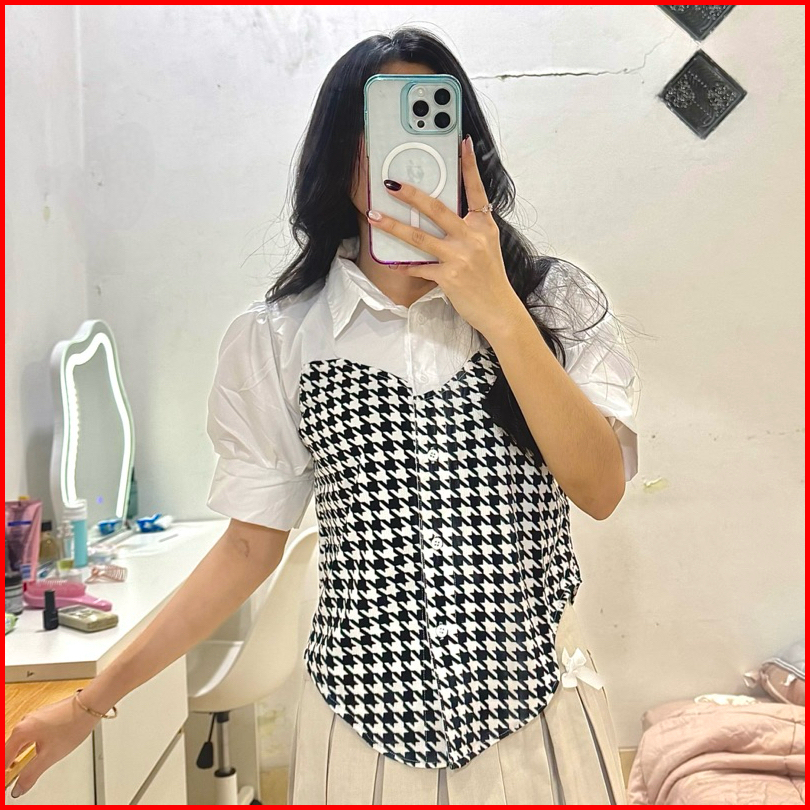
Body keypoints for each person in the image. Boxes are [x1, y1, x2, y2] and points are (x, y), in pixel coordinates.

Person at [5, 26, 638, 805]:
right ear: (342, 159)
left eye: (431, 122)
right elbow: (247, 548)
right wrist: (85, 705)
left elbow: (600, 489)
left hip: (541, 723)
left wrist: (501, 314)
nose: (406, 157)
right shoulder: (277, 338)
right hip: (362, 735)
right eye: (377, 130)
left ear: (468, 150)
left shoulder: (552, 301)